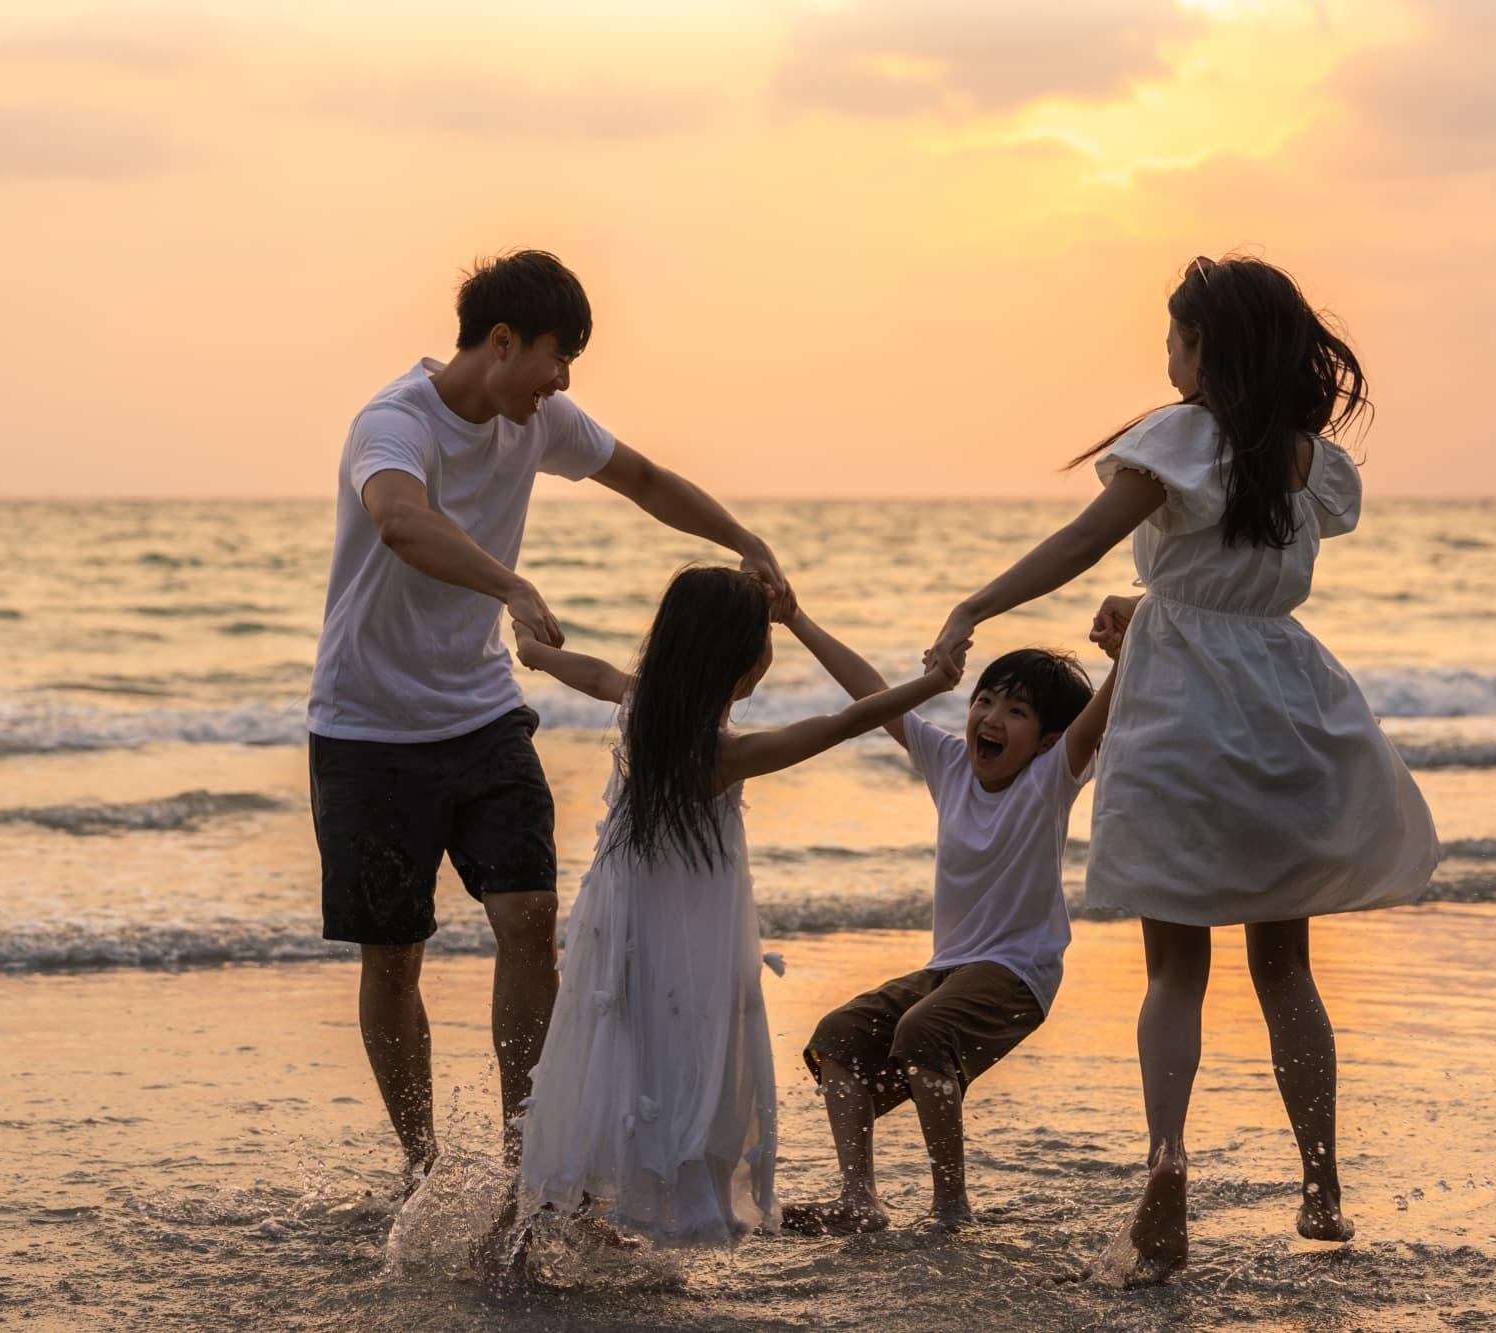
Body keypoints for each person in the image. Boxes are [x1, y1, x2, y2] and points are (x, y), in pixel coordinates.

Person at [925, 254, 1440, 1279]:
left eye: (1174, 335)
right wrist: (1153, 609)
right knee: (1282, 963)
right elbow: (1230, 583)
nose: (1164, 353)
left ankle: (1165, 1166)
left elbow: (1082, 537)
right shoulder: (1303, 457)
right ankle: (1319, 1186)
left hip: (1179, 715)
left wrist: (973, 606)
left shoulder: (1177, 438)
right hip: (1287, 707)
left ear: (1208, 347)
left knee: (1175, 967)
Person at [307, 250, 793, 1188]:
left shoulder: (541, 423)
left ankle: (527, 1163)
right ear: (500, 342)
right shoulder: (391, 424)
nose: (563, 381)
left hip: (485, 710)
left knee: (529, 919)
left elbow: (645, 478)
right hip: (367, 726)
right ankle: (422, 1168)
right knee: (394, 957)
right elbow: (401, 521)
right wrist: (510, 583)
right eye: (555, 357)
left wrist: (742, 538)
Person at [504, 567, 965, 1248]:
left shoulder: (642, 713)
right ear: (744, 660)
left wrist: (535, 652)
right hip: (677, 945)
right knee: (671, 1060)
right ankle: (627, 1200)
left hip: (613, 933)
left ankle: (560, 1207)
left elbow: (594, 672)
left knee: (609, 1049)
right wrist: (934, 684)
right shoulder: (724, 753)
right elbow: (845, 721)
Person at [781, 610, 1117, 1235]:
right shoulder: (951, 764)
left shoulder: (1051, 776)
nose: (989, 719)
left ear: (1047, 739)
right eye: (984, 700)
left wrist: (1129, 650)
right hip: (949, 968)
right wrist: (795, 616)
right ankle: (860, 1201)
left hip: (1020, 971)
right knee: (839, 1034)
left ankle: (950, 1208)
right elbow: (870, 692)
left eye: (1016, 712)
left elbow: (1096, 718)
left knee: (922, 1031)